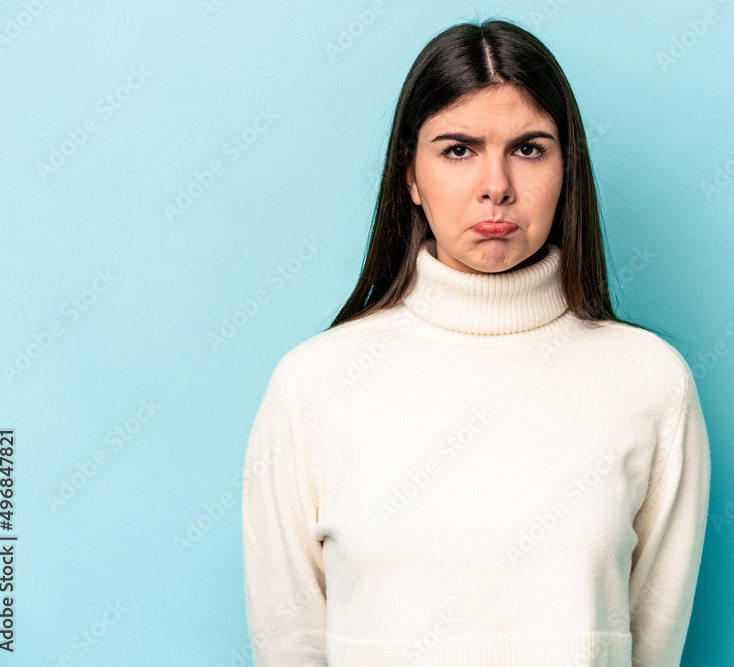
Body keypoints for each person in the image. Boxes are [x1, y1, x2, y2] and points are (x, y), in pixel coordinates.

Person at [241, 18, 710, 667]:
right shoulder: (314, 386)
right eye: (458, 149)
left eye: (529, 148)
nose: (497, 185)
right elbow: (286, 645)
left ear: (566, 169)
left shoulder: (650, 382)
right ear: (410, 175)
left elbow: (652, 646)